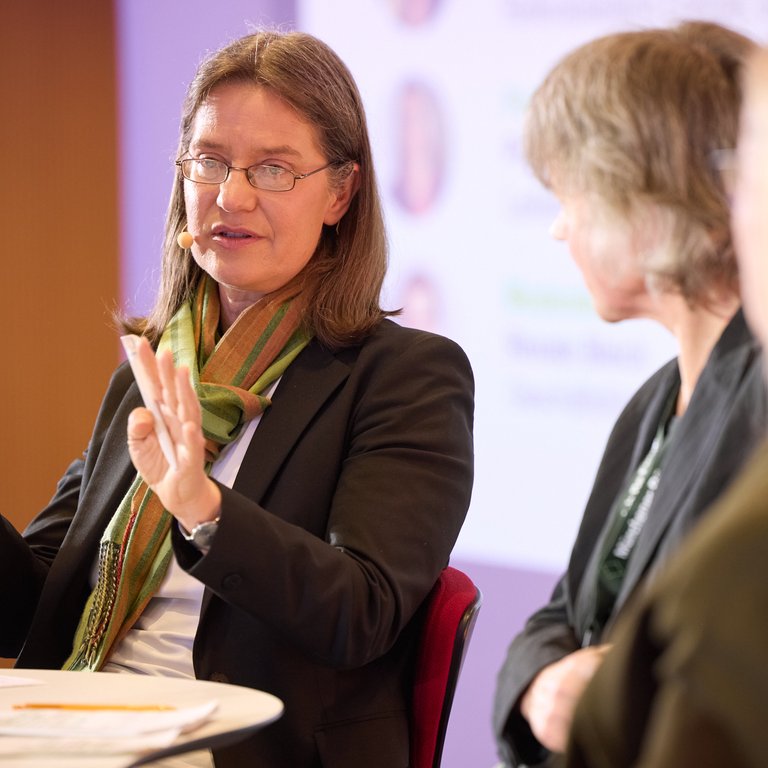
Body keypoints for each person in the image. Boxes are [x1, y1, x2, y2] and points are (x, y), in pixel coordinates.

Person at [0, 30, 474, 768]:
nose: (231, 195)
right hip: (83, 727)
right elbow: (29, 608)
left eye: (274, 170)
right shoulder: (155, 367)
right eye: (210, 161)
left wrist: (203, 508)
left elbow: (362, 612)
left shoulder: (405, 376)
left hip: (246, 748)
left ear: (342, 192)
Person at [493, 21, 767, 768]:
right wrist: (542, 684)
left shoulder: (759, 407)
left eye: (570, 196)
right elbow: (566, 612)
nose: (558, 230)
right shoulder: (654, 401)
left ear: (644, 203)